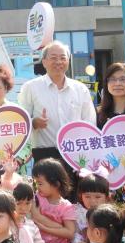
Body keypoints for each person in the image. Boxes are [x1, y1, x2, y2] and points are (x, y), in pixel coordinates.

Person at [18, 41, 96, 198]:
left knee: (76, 198)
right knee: (46, 199)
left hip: (75, 152)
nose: (58, 62)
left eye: (62, 58)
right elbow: (21, 120)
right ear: (44, 61)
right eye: (53, 58)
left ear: (68, 61)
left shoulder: (80, 89)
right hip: (44, 153)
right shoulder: (31, 87)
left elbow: (90, 122)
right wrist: (34, 122)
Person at [71, 171, 110, 243]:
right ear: (81, 196)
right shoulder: (77, 212)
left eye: (97, 197)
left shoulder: (109, 214)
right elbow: (75, 237)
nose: (92, 201)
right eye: (87, 196)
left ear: (106, 197)